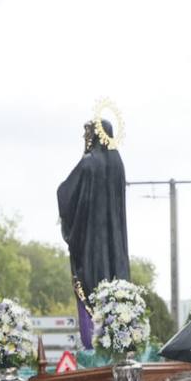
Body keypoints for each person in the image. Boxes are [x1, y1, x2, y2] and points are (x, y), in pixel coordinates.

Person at [57, 117, 130, 348]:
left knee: (90, 287)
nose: (84, 139)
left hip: (90, 244)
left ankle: (93, 343)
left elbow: (65, 193)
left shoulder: (88, 163)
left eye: (87, 134)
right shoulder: (117, 163)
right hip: (115, 243)